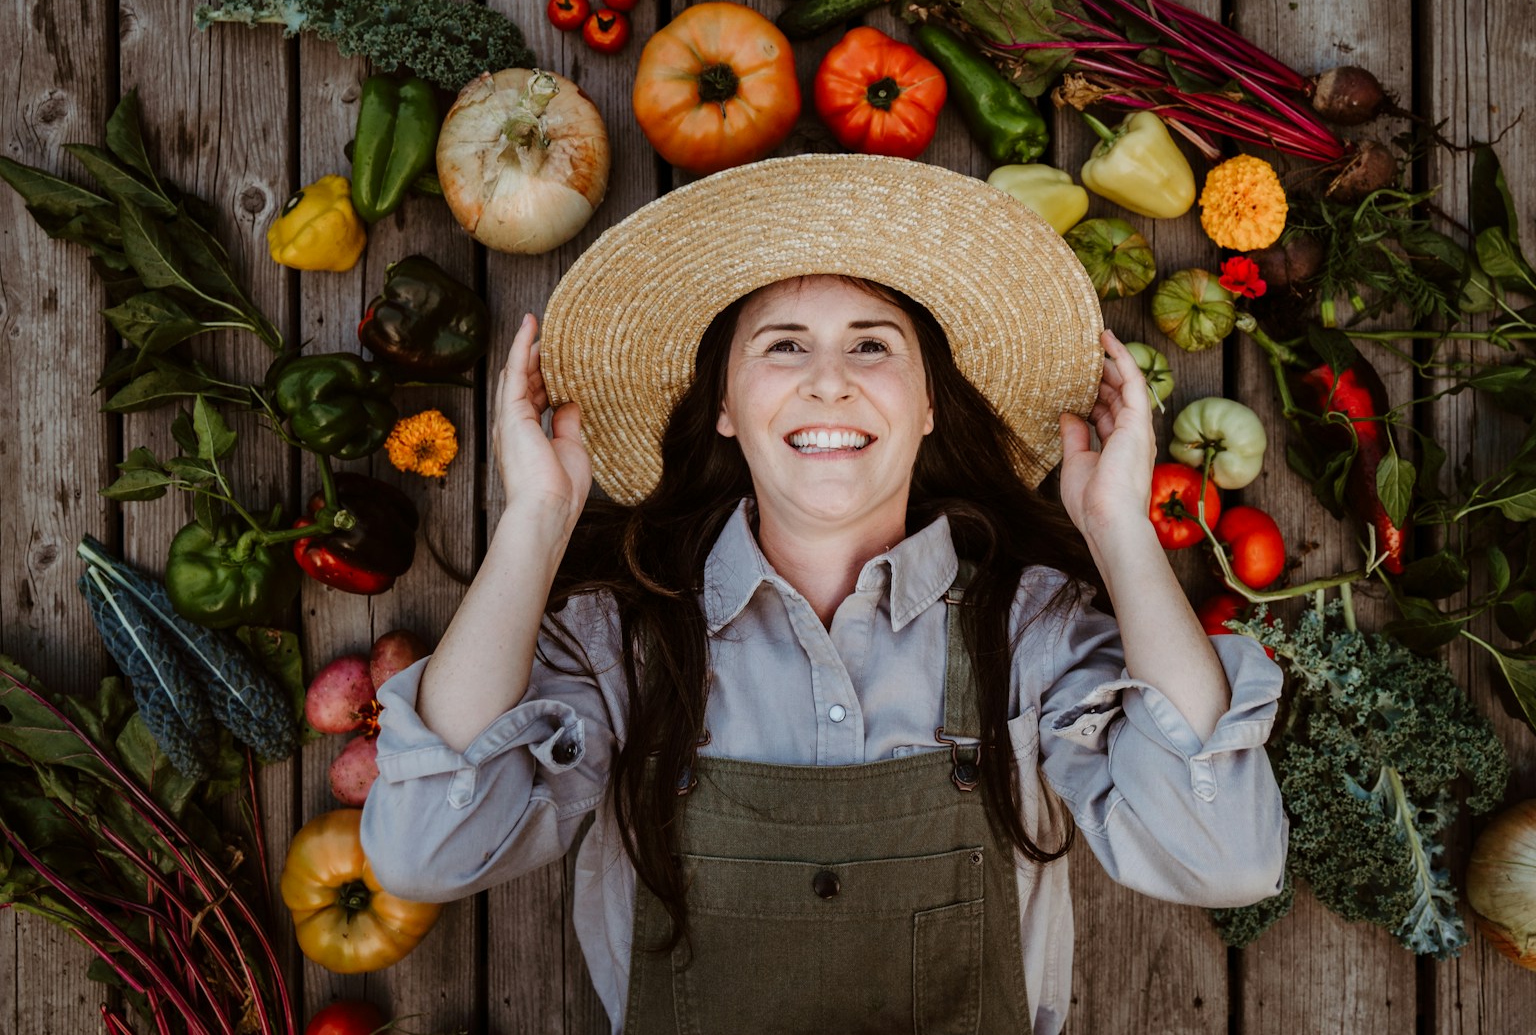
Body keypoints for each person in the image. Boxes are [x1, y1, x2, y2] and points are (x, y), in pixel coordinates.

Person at [361, 154, 1288, 1034]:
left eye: (873, 345)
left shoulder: (1028, 628)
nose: (830, 380)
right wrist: (538, 517)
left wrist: (1118, 526)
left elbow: (1227, 857)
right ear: (724, 405)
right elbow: (424, 851)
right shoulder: (627, 637)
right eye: (784, 344)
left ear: (928, 405)